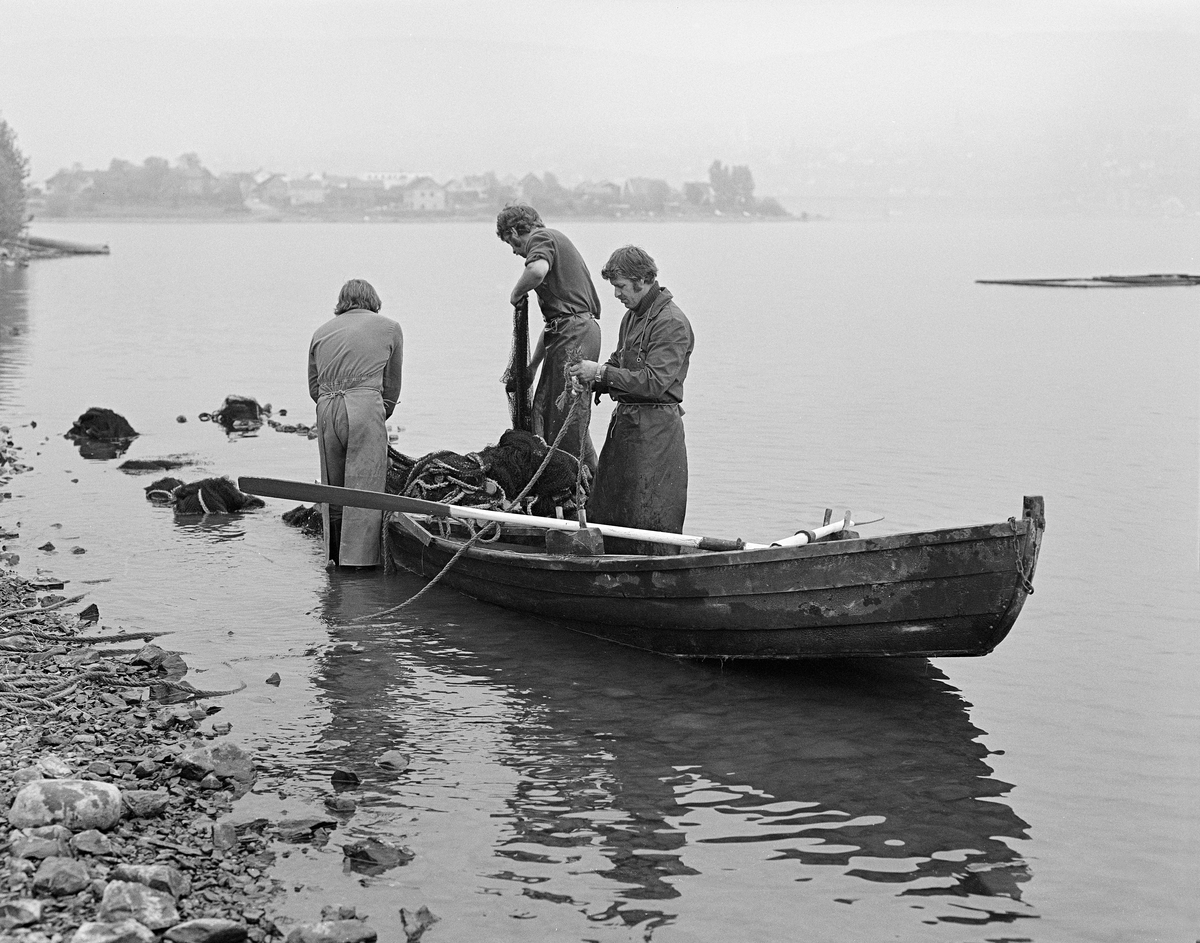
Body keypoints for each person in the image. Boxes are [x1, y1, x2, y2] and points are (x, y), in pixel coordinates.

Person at [569, 246, 694, 555]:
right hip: (626, 426)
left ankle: (652, 566)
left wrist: (600, 374)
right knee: (612, 506)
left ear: (642, 280)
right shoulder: (633, 317)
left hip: (656, 433)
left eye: (621, 286)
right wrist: (591, 379)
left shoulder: (671, 323)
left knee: (649, 513)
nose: (616, 294)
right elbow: (618, 361)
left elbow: (653, 383)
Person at [496, 203, 602, 470]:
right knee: (548, 412)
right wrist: (532, 365)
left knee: (565, 418)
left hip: (575, 334)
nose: (515, 251)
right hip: (570, 331)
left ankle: (584, 486)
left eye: (512, 243)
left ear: (514, 231)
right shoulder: (555, 241)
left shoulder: (542, 237)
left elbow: (536, 271)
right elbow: (553, 325)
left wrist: (516, 293)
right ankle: (578, 481)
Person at [308, 278, 404, 568]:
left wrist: (330, 407)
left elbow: (314, 387)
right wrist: (378, 412)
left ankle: (333, 558)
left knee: (333, 487)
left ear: (341, 303)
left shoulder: (320, 331)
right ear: (373, 301)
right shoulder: (390, 327)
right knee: (365, 488)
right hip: (364, 407)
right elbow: (392, 384)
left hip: (326, 409)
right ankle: (360, 565)